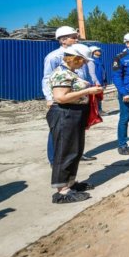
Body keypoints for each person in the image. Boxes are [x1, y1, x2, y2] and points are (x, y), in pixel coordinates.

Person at [47, 44, 103, 203]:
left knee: (75, 150)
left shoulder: (71, 73)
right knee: (65, 151)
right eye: (83, 60)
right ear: (74, 58)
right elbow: (60, 97)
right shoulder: (61, 73)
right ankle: (62, 191)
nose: (84, 63)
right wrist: (87, 91)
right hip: (65, 114)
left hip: (75, 113)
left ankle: (70, 183)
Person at [43, 26, 96, 163]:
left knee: (76, 131)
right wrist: (49, 98)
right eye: (73, 37)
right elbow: (47, 78)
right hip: (63, 99)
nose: (76, 39)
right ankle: (55, 159)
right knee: (58, 132)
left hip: (77, 100)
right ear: (62, 40)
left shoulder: (79, 55)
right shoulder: (54, 57)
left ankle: (75, 154)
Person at [89, 46, 107, 113]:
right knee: (95, 97)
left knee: (99, 96)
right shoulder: (92, 61)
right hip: (96, 82)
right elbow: (92, 73)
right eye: (98, 50)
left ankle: (99, 109)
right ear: (93, 52)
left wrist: (105, 80)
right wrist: (96, 81)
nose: (99, 52)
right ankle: (97, 110)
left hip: (101, 81)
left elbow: (103, 71)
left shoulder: (99, 60)